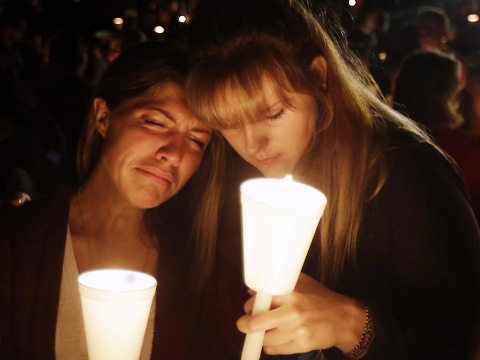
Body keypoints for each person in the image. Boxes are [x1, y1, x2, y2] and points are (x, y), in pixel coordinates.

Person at [185, 0, 480, 359]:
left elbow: (458, 343)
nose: (253, 145)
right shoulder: (224, 177)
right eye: (229, 122)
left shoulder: (403, 171)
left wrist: (350, 325)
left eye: (273, 114)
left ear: (318, 74)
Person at [0, 40, 224, 359]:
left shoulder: (202, 263)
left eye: (197, 139)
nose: (173, 154)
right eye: (156, 122)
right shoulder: (16, 245)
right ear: (104, 118)